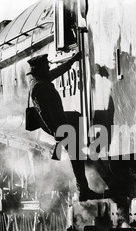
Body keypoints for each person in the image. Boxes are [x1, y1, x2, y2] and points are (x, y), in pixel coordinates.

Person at [27, 53, 102, 202]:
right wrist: (57, 132)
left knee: (77, 154)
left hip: (61, 122)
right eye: (46, 66)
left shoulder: (42, 80)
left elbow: (59, 70)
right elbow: (45, 113)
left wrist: (73, 60)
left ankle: (84, 189)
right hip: (59, 125)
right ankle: (84, 191)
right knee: (76, 157)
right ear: (40, 69)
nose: (49, 67)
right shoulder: (38, 87)